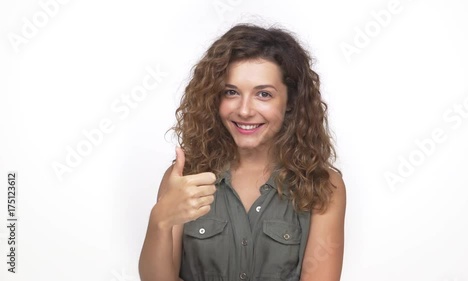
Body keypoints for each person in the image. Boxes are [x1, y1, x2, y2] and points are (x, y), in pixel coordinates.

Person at [138, 23, 346, 281]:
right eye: (231, 92)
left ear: (291, 101)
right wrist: (160, 220)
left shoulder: (323, 186)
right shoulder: (185, 177)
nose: (245, 110)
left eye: (264, 94)